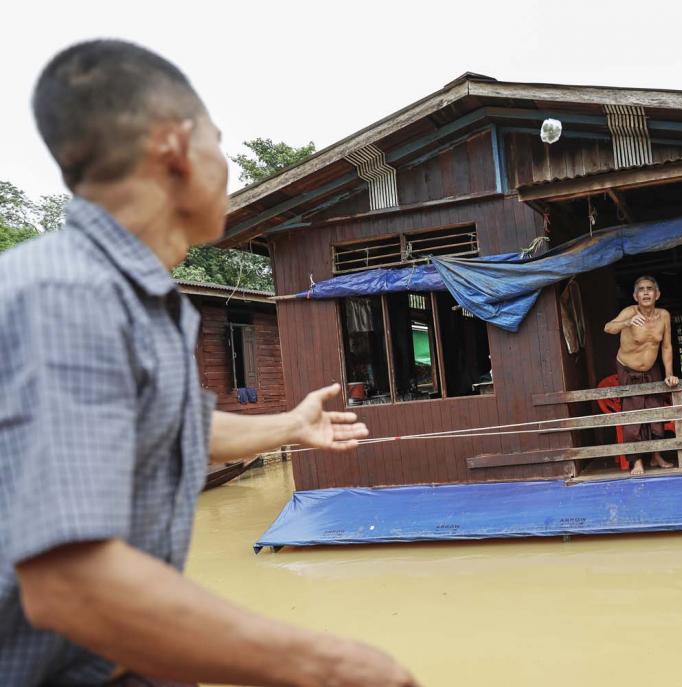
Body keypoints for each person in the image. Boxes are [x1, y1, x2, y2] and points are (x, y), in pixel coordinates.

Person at [0, 41, 418, 686]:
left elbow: (174, 425)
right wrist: (330, 667)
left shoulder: (137, 296)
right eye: (216, 142)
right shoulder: (67, 295)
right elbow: (70, 584)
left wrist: (289, 426)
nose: (224, 164)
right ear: (172, 145)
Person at [603, 275, 679, 475]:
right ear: (635, 296)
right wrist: (627, 322)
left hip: (652, 369)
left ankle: (656, 455)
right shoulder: (629, 311)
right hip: (627, 368)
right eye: (642, 289)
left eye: (650, 289)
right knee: (633, 414)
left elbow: (667, 346)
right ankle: (636, 461)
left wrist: (669, 374)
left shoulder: (664, 315)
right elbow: (608, 327)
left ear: (657, 294)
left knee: (655, 413)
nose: (646, 292)